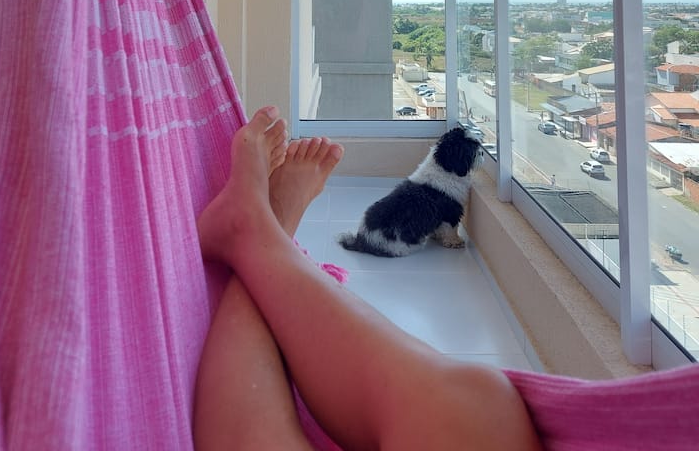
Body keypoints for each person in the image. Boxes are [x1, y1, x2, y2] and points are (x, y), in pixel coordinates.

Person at [193, 107, 699, 451]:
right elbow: (447, 221)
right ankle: (265, 229)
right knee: (477, 405)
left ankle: (264, 228)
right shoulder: (449, 188)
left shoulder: (430, 172)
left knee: (473, 414)